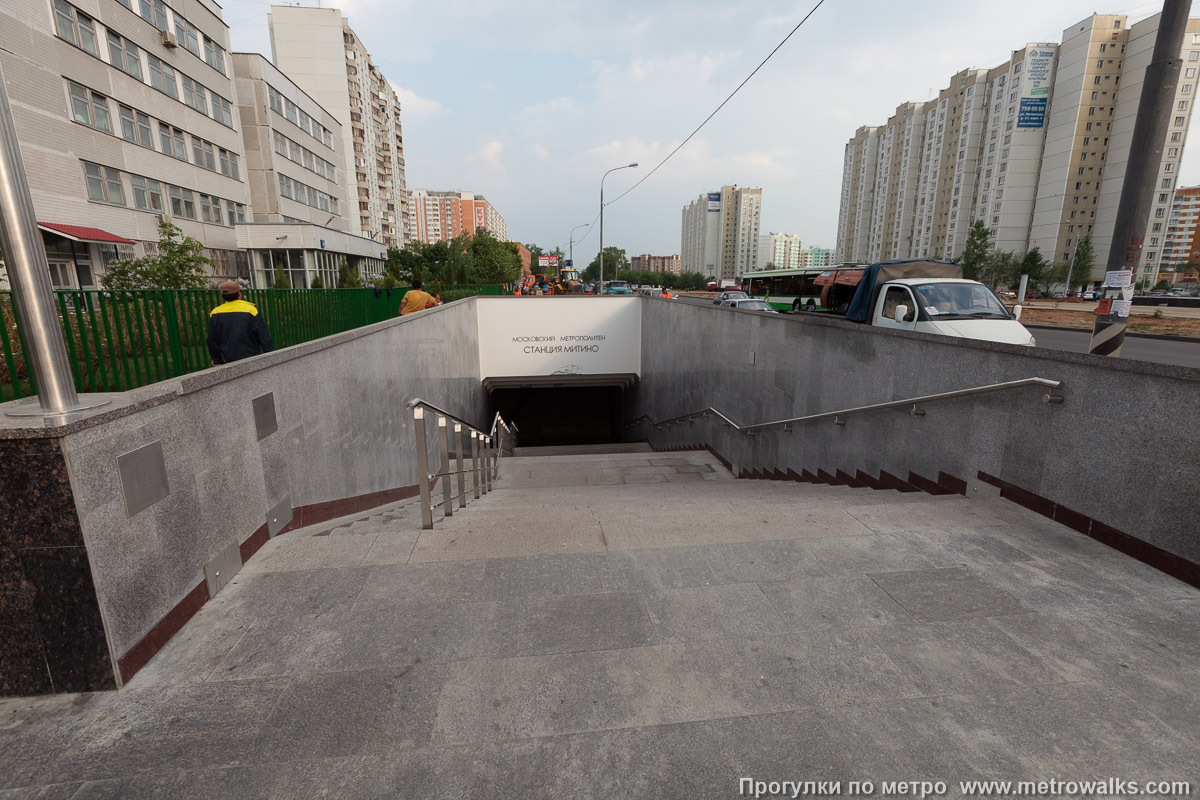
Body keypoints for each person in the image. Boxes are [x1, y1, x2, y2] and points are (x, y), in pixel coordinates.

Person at [207, 281, 273, 365]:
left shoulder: (215, 312)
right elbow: (262, 335)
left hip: (229, 360)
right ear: (239, 294)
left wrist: (217, 360)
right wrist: (271, 355)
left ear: (222, 296)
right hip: (251, 358)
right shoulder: (250, 310)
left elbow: (212, 340)